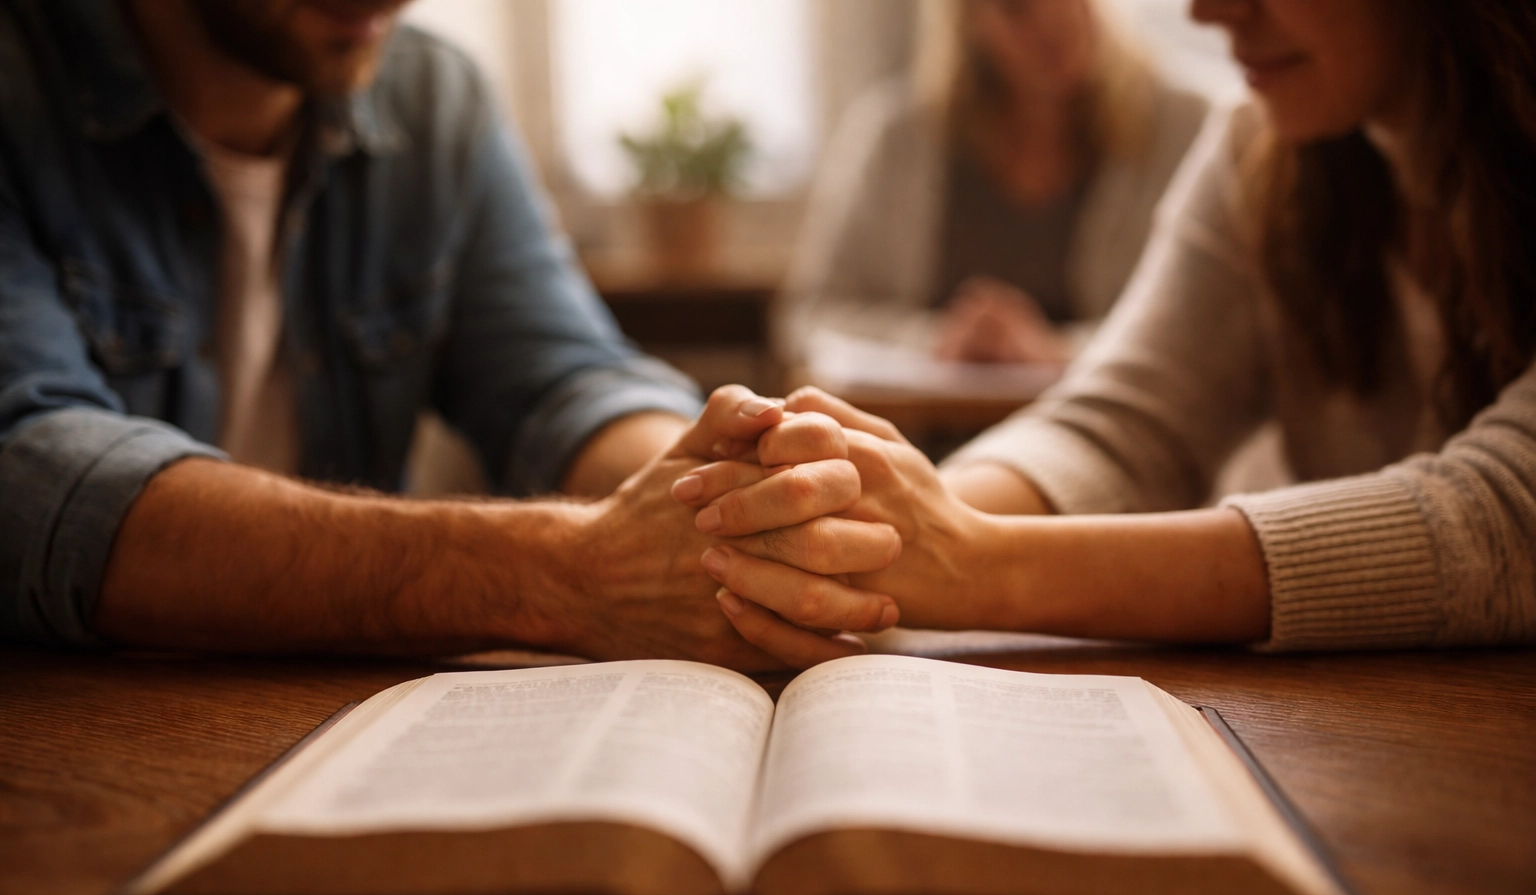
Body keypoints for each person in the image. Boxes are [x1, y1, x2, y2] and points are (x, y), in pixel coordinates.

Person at [678, 0, 1536, 666]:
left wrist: (982, 565)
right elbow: (1128, 422)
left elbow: (1503, 518)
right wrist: (868, 526)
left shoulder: (1201, 117)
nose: (1208, 9)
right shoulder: (1259, 147)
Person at [0, 0, 854, 667]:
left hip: (320, 726)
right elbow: (31, 473)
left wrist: (728, 494)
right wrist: (564, 571)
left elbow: (562, 378)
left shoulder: (431, 98)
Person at [777, 0, 1207, 367]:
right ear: (969, 22)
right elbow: (811, 317)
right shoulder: (898, 139)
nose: (1050, 19)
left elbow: (1206, 330)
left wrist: (1057, 350)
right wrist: (936, 341)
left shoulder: (1189, 126)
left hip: (1113, 442)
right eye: (1015, 6)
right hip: (928, 440)